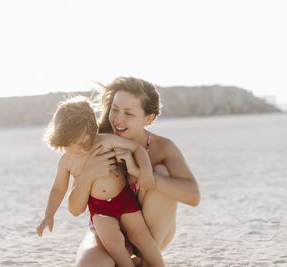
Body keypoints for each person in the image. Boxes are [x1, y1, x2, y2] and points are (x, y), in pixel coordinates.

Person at [69, 77, 201, 267]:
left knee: (160, 172)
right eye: (115, 109)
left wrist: (141, 172)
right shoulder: (98, 142)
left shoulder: (162, 148)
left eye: (128, 113)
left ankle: (146, 259)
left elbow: (193, 196)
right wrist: (89, 174)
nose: (118, 119)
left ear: (148, 118)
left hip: (148, 232)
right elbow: (74, 209)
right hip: (106, 231)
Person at [36, 97, 165, 267]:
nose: (78, 149)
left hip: (123, 198)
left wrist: (146, 172)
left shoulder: (105, 141)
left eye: (83, 143)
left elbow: (137, 148)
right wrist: (49, 214)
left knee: (141, 236)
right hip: (100, 209)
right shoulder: (66, 161)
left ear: (92, 131)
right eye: (70, 145)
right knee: (114, 244)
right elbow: (59, 188)